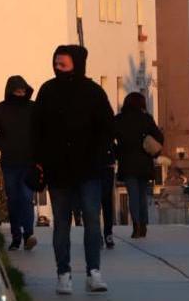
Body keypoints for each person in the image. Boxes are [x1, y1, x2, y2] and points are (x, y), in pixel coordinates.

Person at [32, 45, 114, 295]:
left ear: (76, 64)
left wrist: (99, 153)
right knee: (62, 225)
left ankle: (93, 272)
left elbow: (107, 126)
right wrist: (39, 160)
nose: (58, 68)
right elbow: (37, 129)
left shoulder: (93, 92)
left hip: (89, 169)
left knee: (91, 220)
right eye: (55, 64)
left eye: (63, 64)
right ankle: (63, 274)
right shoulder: (47, 91)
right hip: (58, 170)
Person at [0, 75, 38, 251]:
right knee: (14, 200)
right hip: (10, 163)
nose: (20, 94)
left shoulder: (33, 108)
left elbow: (42, 131)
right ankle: (16, 236)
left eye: (23, 91)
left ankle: (29, 233)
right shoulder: (0, 110)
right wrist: (4, 146)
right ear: (10, 91)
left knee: (26, 197)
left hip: (29, 162)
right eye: (17, 91)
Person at [113, 92, 163, 239]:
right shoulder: (146, 119)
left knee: (133, 195)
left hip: (127, 163)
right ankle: (143, 225)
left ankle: (136, 225)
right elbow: (159, 137)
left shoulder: (119, 120)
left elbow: (109, 138)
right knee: (142, 195)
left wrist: (118, 151)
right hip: (144, 163)